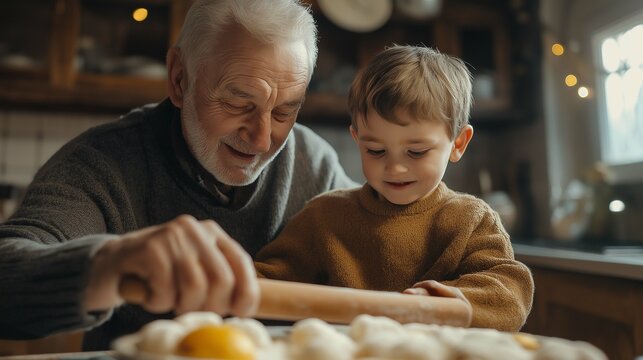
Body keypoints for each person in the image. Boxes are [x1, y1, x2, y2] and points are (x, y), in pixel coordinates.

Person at [0, 0, 356, 350]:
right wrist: (111, 263)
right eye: (237, 104)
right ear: (179, 78)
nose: (262, 139)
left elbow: (384, 234)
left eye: (283, 112)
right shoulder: (100, 165)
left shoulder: (314, 163)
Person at [255, 45, 534, 331]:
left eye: (416, 152)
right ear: (357, 138)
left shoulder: (471, 220)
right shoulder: (323, 217)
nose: (395, 168)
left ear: (458, 143)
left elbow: (509, 290)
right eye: (375, 150)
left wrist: (443, 303)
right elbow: (264, 283)